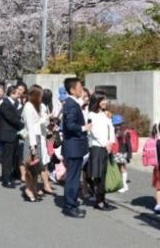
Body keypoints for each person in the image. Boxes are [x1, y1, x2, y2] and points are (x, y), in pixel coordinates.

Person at [62, 78, 91, 218]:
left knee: (73, 176)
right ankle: (70, 206)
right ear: (72, 89)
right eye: (80, 87)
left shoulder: (72, 103)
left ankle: (71, 203)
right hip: (74, 146)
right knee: (73, 178)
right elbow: (70, 125)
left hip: (74, 146)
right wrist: (84, 127)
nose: (82, 89)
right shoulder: (71, 104)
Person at [22, 85, 54, 202]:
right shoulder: (28, 106)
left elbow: (41, 123)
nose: (41, 97)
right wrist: (32, 145)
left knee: (36, 167)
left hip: (39, 138)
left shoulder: (39, 106)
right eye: (39, 95)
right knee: (30, 167)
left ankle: (34, 188)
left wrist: (46, 119)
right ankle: (29, 189)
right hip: (32, 139)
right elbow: (30, 126)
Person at [87, 92, 115, 210]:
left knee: (103, 174)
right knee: (98, 175)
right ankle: (99, 201)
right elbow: (94, 132)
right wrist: (105, 144)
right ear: (97, 101)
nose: (105, 102)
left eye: (106, 99)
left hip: (106, 147)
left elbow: (111, 128)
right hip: (97, 147)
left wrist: (111, 142)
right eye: (103, 100)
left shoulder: (105, 114)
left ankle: (102, 199)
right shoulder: (91, 115)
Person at [0, 86, 25, 188]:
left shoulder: (13, 104)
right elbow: (12, 118)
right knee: (7, 158)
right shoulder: (5, 104)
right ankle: (6, 180)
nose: (17, 95)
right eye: (15, 93)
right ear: (11, 93)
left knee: (12, 157)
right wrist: (23, 125)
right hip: (7, 135)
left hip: (14, 135)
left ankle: (9, 176)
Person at [112, 114, 131, 193]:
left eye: (118, 124)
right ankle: (122, 184)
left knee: (121, 168)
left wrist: (129, 154)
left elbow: (128, 144)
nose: (117, 126)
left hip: (121, 153)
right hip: (120, 153)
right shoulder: (121, 131)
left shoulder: (124, 133)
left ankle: (124, 185)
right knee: (121, 168)